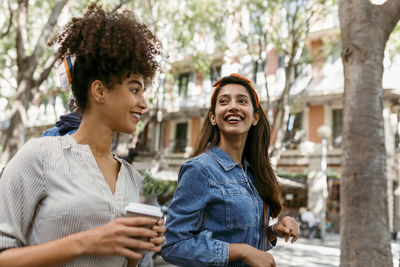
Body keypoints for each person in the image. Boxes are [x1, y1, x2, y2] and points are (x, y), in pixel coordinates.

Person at [0, 3, 165, 267]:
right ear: (99, 91)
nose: (144, 104)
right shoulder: (39, 156)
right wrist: (87, 242)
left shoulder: (133, 179)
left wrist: (139, 249)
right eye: (135, 90)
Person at [161, 73, 300, 266]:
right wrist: (241, 251)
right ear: (213, 117)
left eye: (242, 101)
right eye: (224, 101)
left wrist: (273, 231)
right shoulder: (199, 169)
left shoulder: (253, 173)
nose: (233, 106)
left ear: (255, 117)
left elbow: (244, 240)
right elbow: (172, 245)